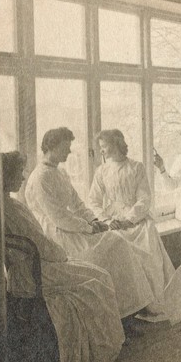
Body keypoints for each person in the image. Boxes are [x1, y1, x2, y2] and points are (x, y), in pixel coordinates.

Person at [2, 151, 125, 362]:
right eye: (18, 172)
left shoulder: (10, 204)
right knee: (98, 280)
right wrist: (61, 255)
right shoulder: (9, 209)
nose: (22, 177)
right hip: (35, 273)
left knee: (98, 273)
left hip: (39, 265)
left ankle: (99, 345)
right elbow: (39, 243)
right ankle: (99, 352)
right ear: (6, 176)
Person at [25, 127, 157, 320]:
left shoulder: (59, 172)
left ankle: (125, 313)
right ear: (52, 147)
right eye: (65, 147)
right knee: (112, 248)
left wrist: (94, 221)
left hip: (72, 228)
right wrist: (88, 228)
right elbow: (58, 217)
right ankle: (117, 317)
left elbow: (77, 204)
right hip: (57, 234)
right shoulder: (41, 177)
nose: (69, 152)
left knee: (117, 243)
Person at [88, 129, 175, 318]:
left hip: (137, 221)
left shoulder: (136, 167)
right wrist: (107, 220)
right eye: (100, 147)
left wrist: (129, 219)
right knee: (116, 248)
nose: (102, 151)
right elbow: (93, 201)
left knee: (147, 254)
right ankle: (128, 308)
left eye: (105, 146)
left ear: (117, 144)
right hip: (113, 221)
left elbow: (144, 199)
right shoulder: (101, 171)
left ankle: (149, 304)